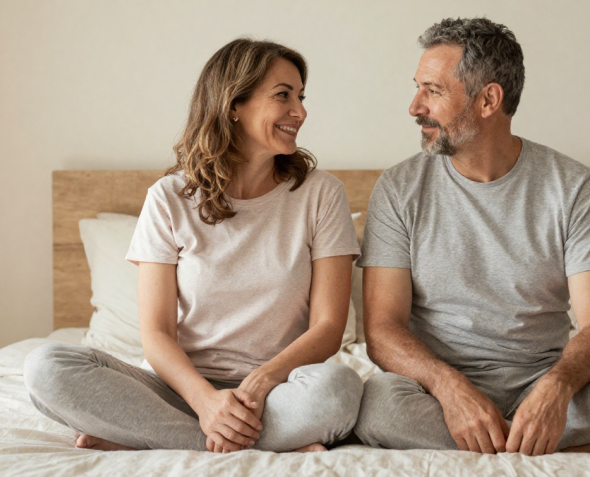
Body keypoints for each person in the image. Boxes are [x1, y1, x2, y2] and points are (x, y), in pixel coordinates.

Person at [353, 17, 590, 456]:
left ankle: (522, 433)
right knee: (374, 407)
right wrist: (449, 387)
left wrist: (556, 388)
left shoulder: (572, 186)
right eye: (418, 87)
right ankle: (573, 446)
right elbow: (382, 330)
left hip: (550, 386)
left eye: (432, 90)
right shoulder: (398, 188)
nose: (414, 106)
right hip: (437, 394)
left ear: (488, 100)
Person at [25, 38, 363, 454]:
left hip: (278, 391)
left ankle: (145, 436)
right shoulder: (168, 198)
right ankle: (256, 441)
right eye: (283, 96)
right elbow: (156, 333)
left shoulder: (321, 194)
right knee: (46, 368)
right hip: (178, 391)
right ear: (233, 105)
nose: (301, 111)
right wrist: (205, 402)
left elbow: (328, 328)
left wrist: (259, 384)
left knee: (340, 388)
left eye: (301, 97)